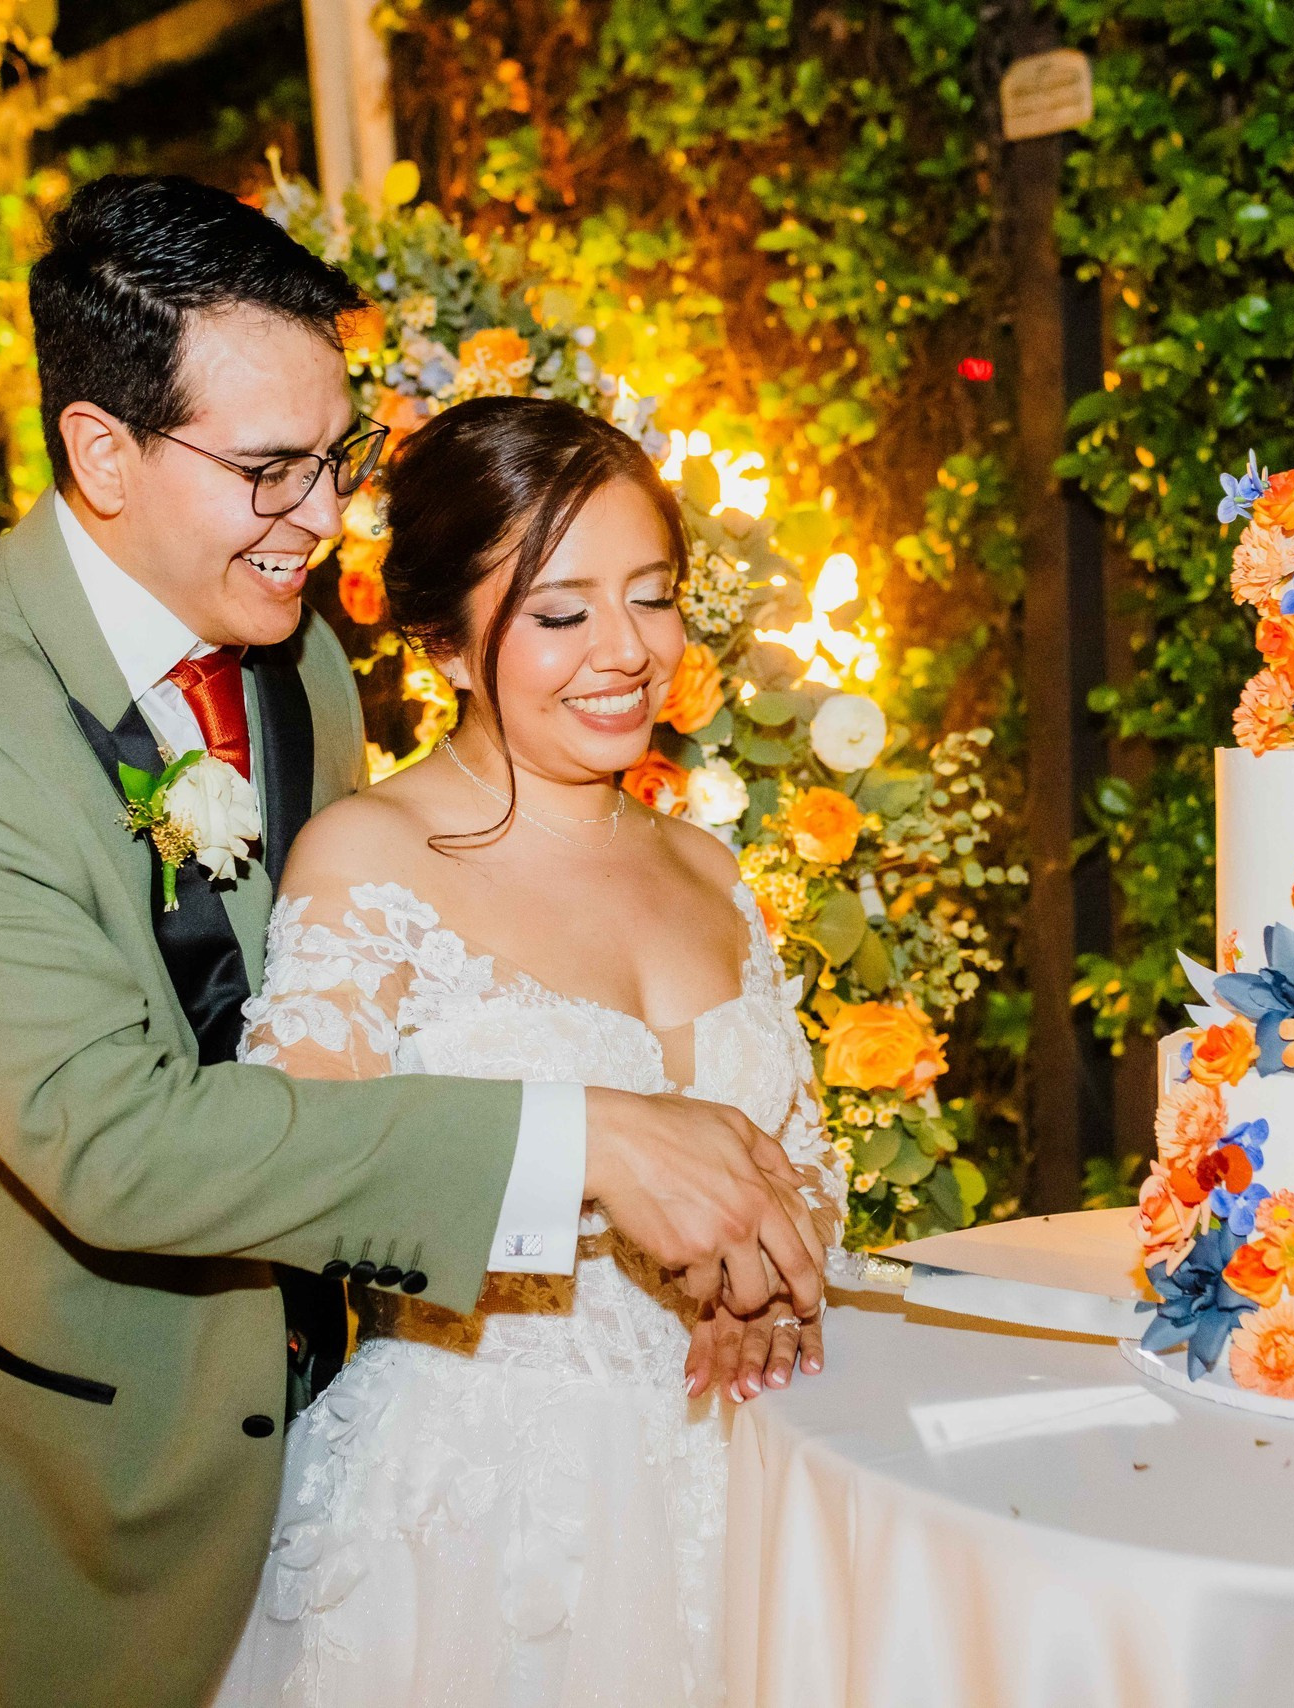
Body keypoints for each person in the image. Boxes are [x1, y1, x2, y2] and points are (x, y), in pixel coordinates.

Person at [0, 175, 823, 1708]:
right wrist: (588, 1135)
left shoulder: (297, 657)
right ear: (102, 452)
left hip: (338, 1458)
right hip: (63, 1486)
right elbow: (115, 1151)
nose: (324, 520)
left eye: (338, 459)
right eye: (271, 470)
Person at [212, 394, 845, 1707]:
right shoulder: (371, 859)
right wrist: (595, 1164)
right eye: (561, 614)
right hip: (477, 1515)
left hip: (737, 1476)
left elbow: (802, 1167)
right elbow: (298, 1178)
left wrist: (776, 1278)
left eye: (653, 598)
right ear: (446, 643)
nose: (627, 650)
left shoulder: (710, 868)